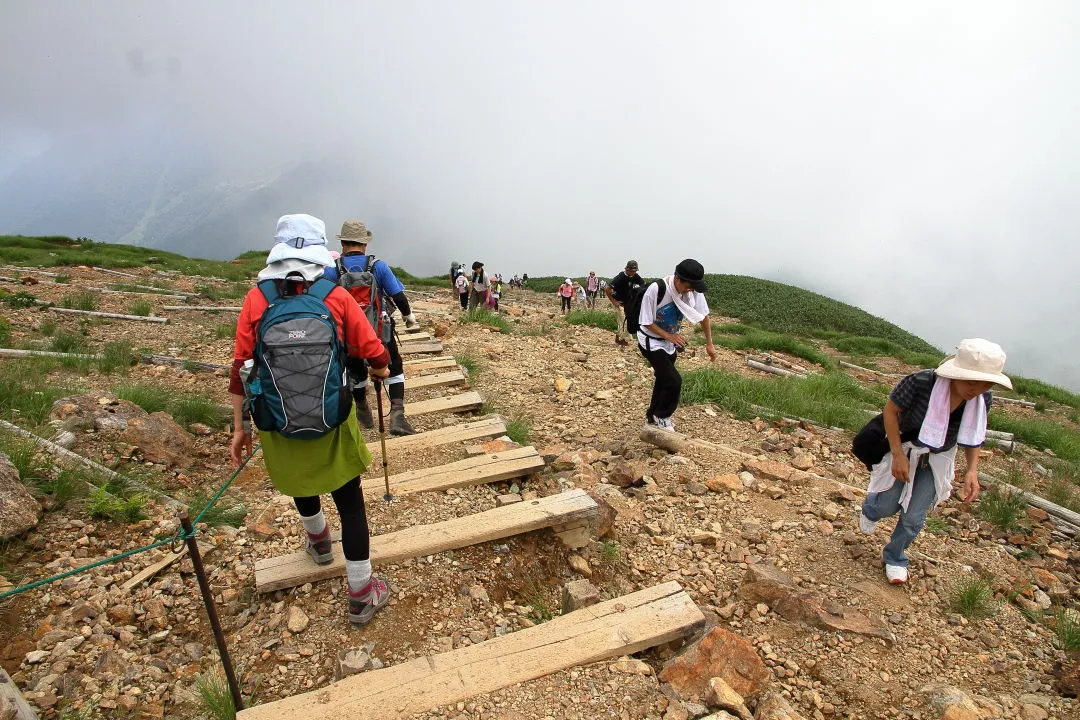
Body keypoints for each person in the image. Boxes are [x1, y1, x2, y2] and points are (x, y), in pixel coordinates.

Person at [229, 213, 391, 625]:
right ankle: (360, 592)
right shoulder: (332, 295)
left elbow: (240, 369)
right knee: (350, 503)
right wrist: (381, 370)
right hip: (331, 414)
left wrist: (239, 427)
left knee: (301, 479)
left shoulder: (256, 299)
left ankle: (319, 543)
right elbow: (374, 350)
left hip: (277, 417)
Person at [852, 339, 1010, 585]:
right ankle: (871, 509)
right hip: (906, 449)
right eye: (971, 381)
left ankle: (895, 557)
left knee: (914, 515)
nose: (976, 389)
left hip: (938, 457)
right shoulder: (921, 383)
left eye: (985, 384)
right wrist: (897, 455)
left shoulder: (982, 400)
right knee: (887, 505)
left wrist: (972, 471)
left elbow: (972, 436)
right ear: (956, 373)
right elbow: (890, 412)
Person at [324, 219, 420, 436]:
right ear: (364, 244)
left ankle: (362, 407)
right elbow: (399, 297)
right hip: (379, 331)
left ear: (343, 244)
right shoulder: (378, 267)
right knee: (394, 367)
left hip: (349, 335)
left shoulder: (332, 271)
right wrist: (408, 317)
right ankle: (397, 415)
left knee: (355, 372)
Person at [636, 259, 717, 431]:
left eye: (694, 288)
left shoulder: (692, 290)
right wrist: (669, 335)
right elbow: (646, 322)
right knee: (674, 381)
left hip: (668, 342)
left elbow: (704, 316)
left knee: (663, 379)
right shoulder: (657, 289)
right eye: (688, 286)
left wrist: (709, 344)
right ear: (678, 279)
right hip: (650, 340)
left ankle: (652, 416)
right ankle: (663, 416)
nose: (690, 291)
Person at [605, 260, 644, 347]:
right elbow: (607, 289)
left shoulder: (635, 276)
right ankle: (623, 340)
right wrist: (613, 301)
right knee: (623, 320)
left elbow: (642, 283)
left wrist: (637, 292)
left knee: (626, 320)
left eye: (634, 271)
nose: (632, 273)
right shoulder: (620, 277)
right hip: (617, 301)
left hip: (627, 302)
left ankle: (620, 338)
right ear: (627, 269)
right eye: (631, 271)